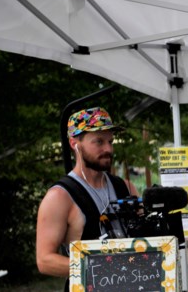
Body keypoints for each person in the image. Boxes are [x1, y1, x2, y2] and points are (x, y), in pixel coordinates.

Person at [36, 107, 138, 280]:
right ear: (75, 144)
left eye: (110, 142)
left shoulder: (126, 188)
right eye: (99, 141)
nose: (108, 149)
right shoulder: (60, 197)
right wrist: (103, 269)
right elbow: (45, 261)